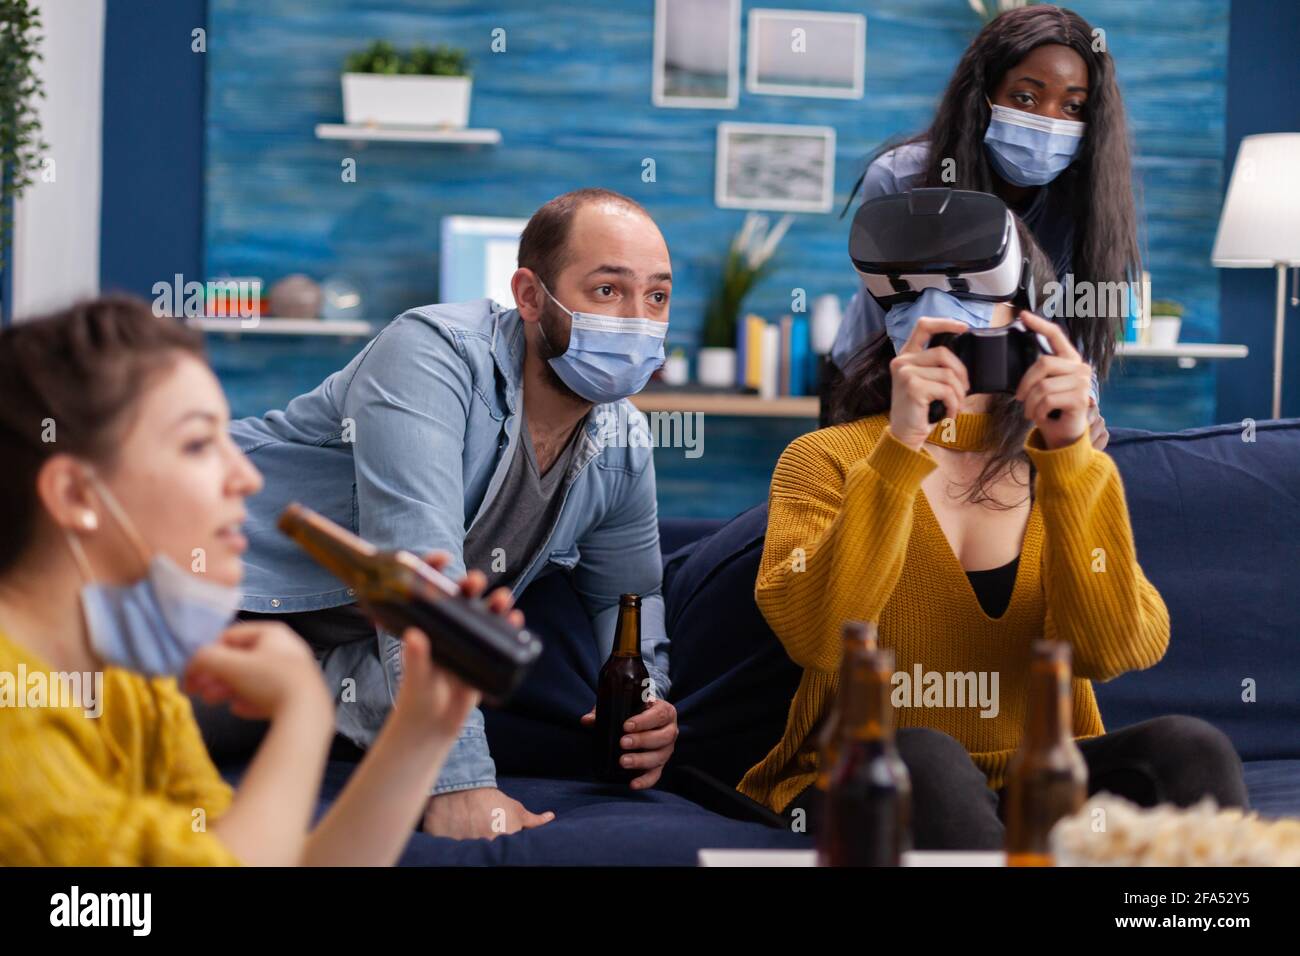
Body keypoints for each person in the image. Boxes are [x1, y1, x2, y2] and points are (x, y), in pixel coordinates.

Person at [739, 248, 1247, 849]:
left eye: (966, 288)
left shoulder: (1067, 461)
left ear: (1026, 312)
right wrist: (901, 446)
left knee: (1189, 747)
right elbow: (818, 637)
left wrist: (1070, 461)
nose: (936, 309)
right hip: (869, 774)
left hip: (1041, 775)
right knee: (924, 754)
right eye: (908, 293)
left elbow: (1111, 650)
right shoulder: (824, 458)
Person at [222, 188, 680, 840]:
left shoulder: (624, 442)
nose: (637, 320)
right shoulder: (429, 356)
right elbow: (417, 574)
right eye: (607, 291)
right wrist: (460, 784)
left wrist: (650, 700)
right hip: (210, 602)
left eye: (656, 297)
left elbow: (629, 597)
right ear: (528, 296)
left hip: (329, 671)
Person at [0, 296, 516, 865]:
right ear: (75, 495)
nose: (245, 476)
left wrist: (421, 730)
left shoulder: (129, 685)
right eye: (198, 444)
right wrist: (303, 714)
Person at [825, 4, 1137, 449]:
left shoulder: (1085, 200)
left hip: (1003, 404)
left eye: (1072, 106)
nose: (1048, 121)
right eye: (1026, 97)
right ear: (984, 94)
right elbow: (903, 315)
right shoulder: (902, 179)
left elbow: (1069, 320)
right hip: (879, 382)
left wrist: (1081, 397)